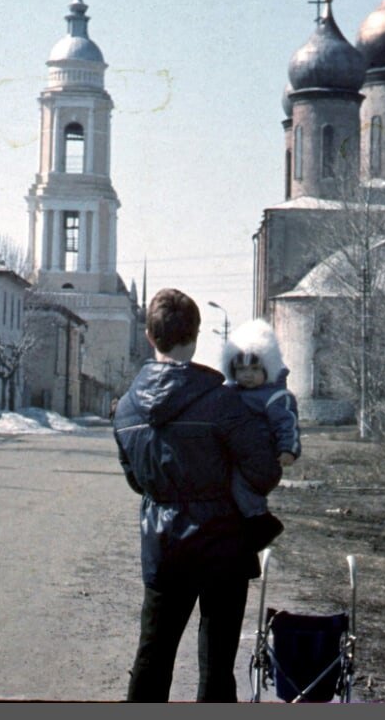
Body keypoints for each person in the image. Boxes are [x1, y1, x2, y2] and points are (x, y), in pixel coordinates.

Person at [112, 288, 282, 702]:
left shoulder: (126, 408)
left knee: (153, 656)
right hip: (224, 543)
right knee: (217, 666)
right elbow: (265, 470)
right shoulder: (222, 401)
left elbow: (137, 480)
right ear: (196, 334)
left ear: (150, 336)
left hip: (163, 545)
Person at [220, 318, 300, 552]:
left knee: (238, 486)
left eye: (255, 369)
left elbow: (287, 424)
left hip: (263, 458)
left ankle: (261, 522)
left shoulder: (275, 396)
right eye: (241, 369)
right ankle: (241, 526)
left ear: (268, 368)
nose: (247, 375)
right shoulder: (231, 392)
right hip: (243, 456)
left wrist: (288, 449)